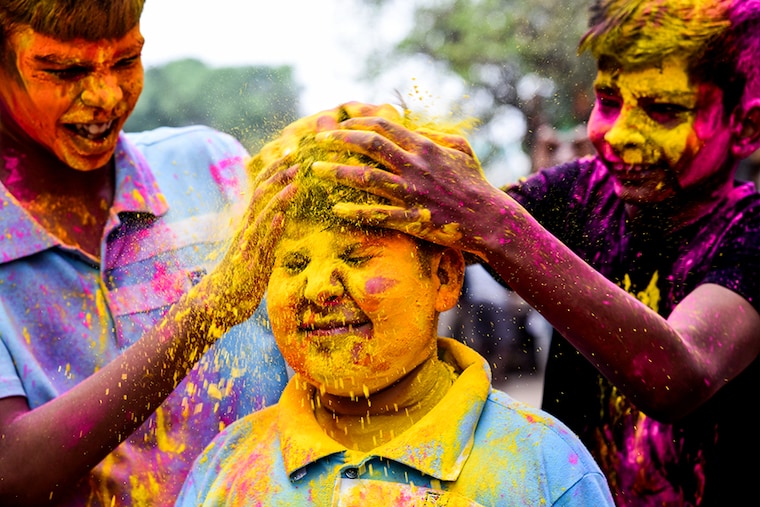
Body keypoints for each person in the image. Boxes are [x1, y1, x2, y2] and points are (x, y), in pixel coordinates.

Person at [302, 0, 760, 504]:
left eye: (664, 111)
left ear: (746, 126)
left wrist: (492, 222)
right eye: (608, 100)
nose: (618, 134)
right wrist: (361, 163)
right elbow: (448, 229)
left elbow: (677, 378)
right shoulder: (581, 193)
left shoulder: (750, 230)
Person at [174, 110, 615, 507]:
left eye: (356, 256)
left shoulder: (543, 465)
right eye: (294, 263)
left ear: (443, 276)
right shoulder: (227, 469)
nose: (318, 288)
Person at [0, 1, 290, 505]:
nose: (106, 96)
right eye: (65, 70)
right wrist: (206, 312)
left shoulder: (212, 170)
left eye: (126, 60)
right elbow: (10, 469)